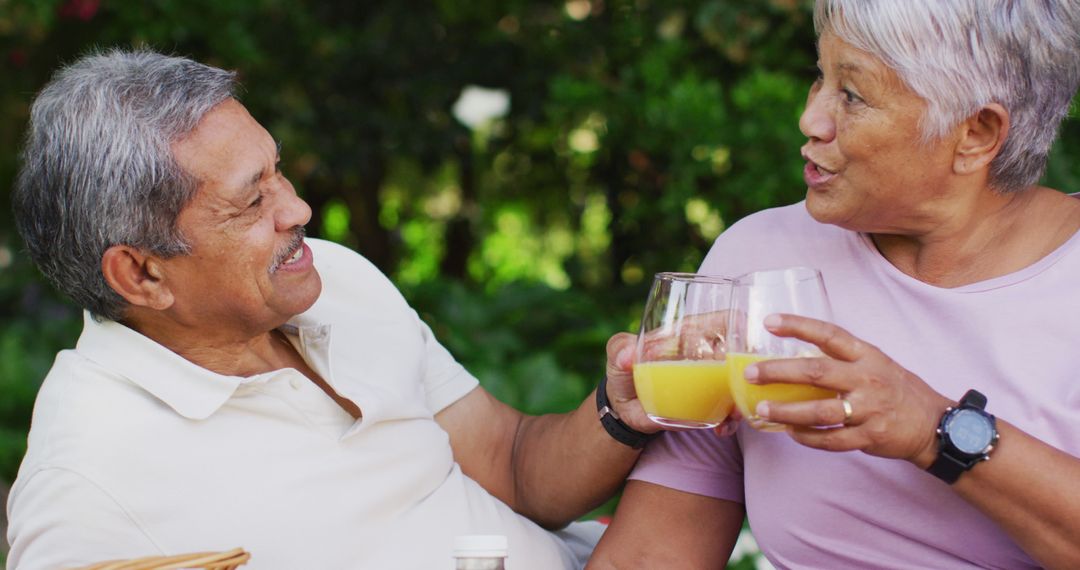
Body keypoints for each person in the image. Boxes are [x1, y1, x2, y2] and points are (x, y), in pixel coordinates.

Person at [5, 49, 660, 569]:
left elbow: (514, 465)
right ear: (142, 274)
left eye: (277, 172)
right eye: (251, 202)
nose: (297, 211)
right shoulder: (88, 485)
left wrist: (620, 409)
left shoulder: (334, 279)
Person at [590, 0, 1080, 568]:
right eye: (820, 77)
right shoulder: (761, 260)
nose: (811, 120)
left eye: (852, 95)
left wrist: (931, 431)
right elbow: (653, 554)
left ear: (976, 133)